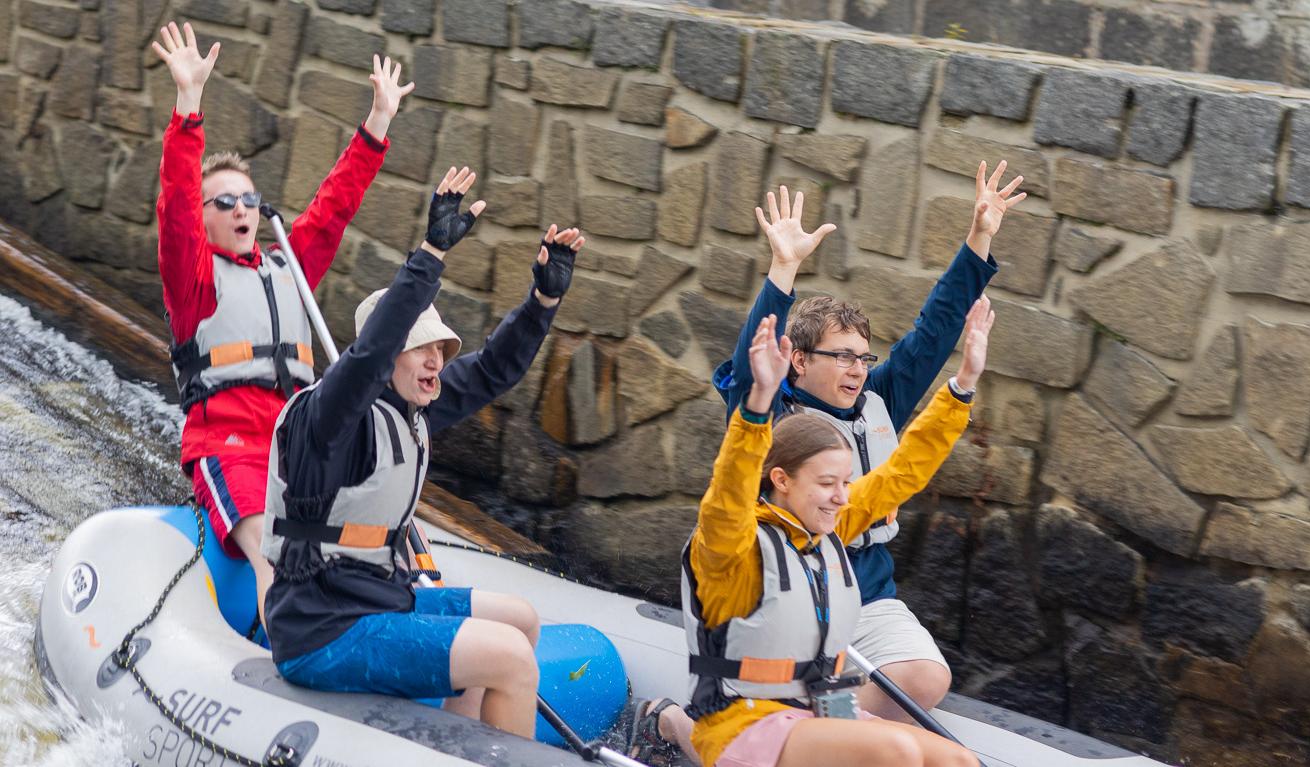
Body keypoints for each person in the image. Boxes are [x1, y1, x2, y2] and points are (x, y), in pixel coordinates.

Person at [630, 162, 1024, 762]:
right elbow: (742, 433)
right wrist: (782, 271)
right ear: (797, 360)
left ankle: (830, 730)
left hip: (847, 591)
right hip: (765, 636)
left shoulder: (867, 433)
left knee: (941, 728)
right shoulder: (757, 443)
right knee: (889, 749)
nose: (857, 370)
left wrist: (977, 252)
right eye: (841, 357)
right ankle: (682, 726)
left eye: (864, 358)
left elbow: (912, 432)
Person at [260, 165, 584, 736]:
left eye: (441, 348)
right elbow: (368, 355)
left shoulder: (412, 408)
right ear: (387, 356)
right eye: (421, 348)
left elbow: (492, 371)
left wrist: (542, 301)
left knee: (521, 621)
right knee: (511, 658)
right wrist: (431, 252)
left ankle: (455, 743)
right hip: (322, 628)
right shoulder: (328, 418)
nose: (437, 360)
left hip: (379, 598)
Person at [152, 21, 412, 630]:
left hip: (301, 446)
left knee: (360, 541)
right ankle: (290, 655)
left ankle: (389, 633)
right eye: (224, 202)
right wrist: (189, 106)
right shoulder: (194, 283)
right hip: (232, 449)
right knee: (274, 555)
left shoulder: (286, 268)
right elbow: (176, 208)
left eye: (248, 200)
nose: (241, 209)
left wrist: (377, 123)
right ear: (205, 219)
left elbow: (333, 208)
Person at [681, 307, 991, 767]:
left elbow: (904, 470)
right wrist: (759, 401)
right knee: (898, 751)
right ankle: (676, 725)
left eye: (845, 483)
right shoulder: (730, 545)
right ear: (781, 479)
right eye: (827, 484)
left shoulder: (830, 527)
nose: (842, 498)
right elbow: (730, 485)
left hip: (826, 706)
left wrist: (963, 384)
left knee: (957, 760)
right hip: (745, 722)